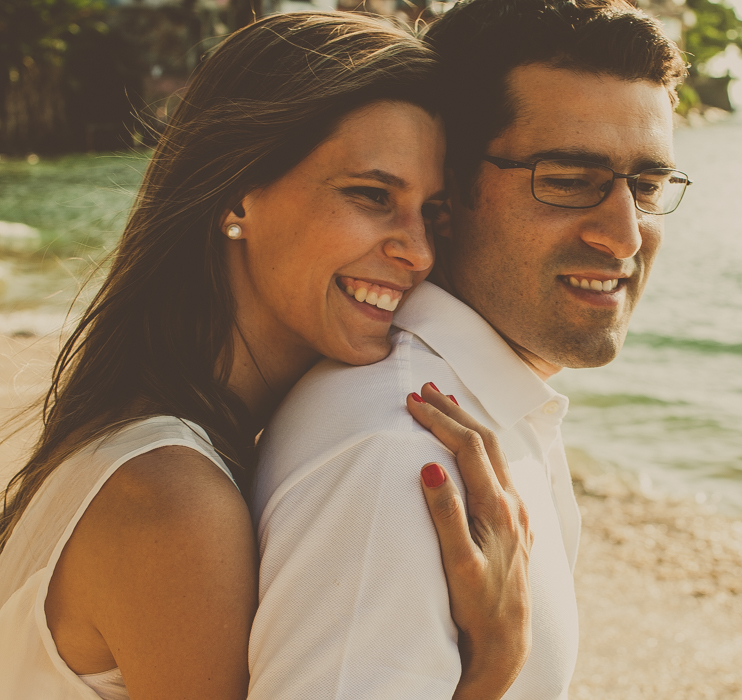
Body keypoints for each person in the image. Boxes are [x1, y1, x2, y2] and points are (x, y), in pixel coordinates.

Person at [0, 13, 531, 700]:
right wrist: (492, 667)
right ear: (237, 195)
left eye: (432, 213)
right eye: (372, 196)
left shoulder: (143, 439)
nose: (419, 251)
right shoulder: (172, 499)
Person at [247, 1, 690, 698]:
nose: (626, 235)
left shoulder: (481, 408)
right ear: (447, 192)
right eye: (569, 180)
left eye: (649, 186)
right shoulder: (399, 457)